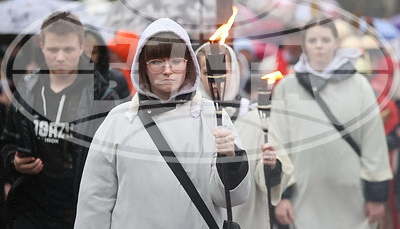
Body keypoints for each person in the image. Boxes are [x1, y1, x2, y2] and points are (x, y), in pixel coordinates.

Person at [74, 18, 250, 228]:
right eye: (157, 61)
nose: (168, 70)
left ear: (188, 64)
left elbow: (231, 197)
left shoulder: (213, 116)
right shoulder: (118, 121)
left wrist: (231, 160)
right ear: (143, 66)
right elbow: (95, 201)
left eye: (176, 61)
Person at [270, 18, 393, 229]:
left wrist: (376, 194)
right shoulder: (286, 88)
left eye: (325, 39)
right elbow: (278, 143)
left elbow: (374, 142)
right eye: (313, 40)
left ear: (336, 43)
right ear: (304, 45)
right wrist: (281, 195)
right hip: (304, 197)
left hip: (353, 199)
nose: (319, 45)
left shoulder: (359, 86)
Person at [0, 11, 118, 228]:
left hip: (78, 210)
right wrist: (14, 161)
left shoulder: (102, 94)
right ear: (42, 46)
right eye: (53, 49)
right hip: (30, 211)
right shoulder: (26, 89)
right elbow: (7, 141)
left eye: (68, 49)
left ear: (82, 46)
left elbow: (111, 159)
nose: (60, 57)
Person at [196, 42, 293, 228]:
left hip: (247, 218)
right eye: (208, 72)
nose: (216, 79)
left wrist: (271, 166)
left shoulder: (255, 117)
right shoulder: (192, 117)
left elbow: (273, 181)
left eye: (224, 71)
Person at [83, 27, 131, 100]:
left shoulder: (117, 80)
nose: (89, 57)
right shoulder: (68, 81)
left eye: (93, 52)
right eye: (84, 52)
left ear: (100, 53)